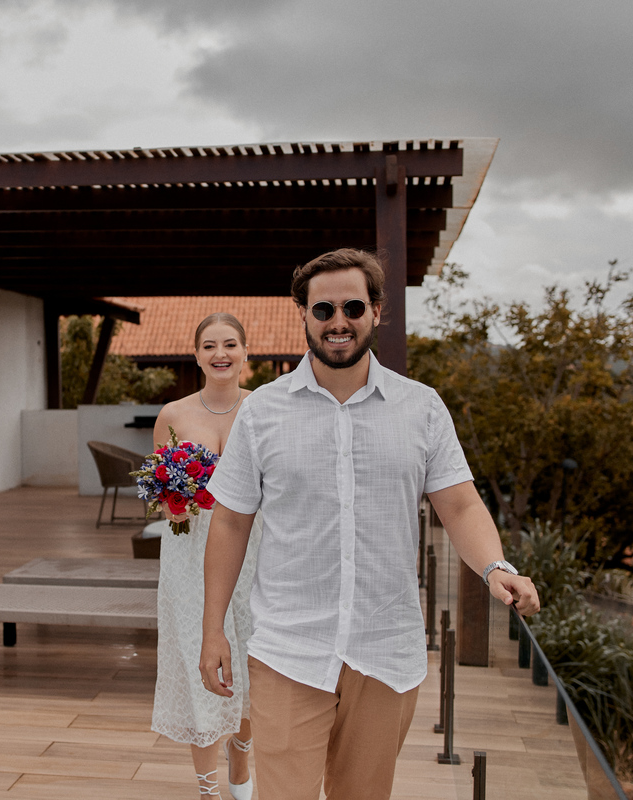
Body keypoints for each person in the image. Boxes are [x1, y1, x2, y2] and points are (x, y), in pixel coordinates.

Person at [198, 249, 541, 800]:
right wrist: (213, 629)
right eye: (323, 309)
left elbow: (459, 504)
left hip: (385, 649)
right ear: (303, 316)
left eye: (353, 306)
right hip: (289, 645)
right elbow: (231, 522)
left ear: (377, 311)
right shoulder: (262, 411)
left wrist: (495, 566)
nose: (338, 321)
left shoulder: (422, 408)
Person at [151, 312, 263, 799]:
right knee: (199, 658)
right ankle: (207, 789)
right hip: (189, 552)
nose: (221, 354)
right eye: (211, 345)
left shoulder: (265, 409)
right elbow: (159, 494)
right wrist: (181, 494)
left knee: (251, 658)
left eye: (230, 344)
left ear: (244, 353)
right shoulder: (173, 416)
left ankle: (240, 767)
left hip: (255, 550)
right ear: (196, 354)